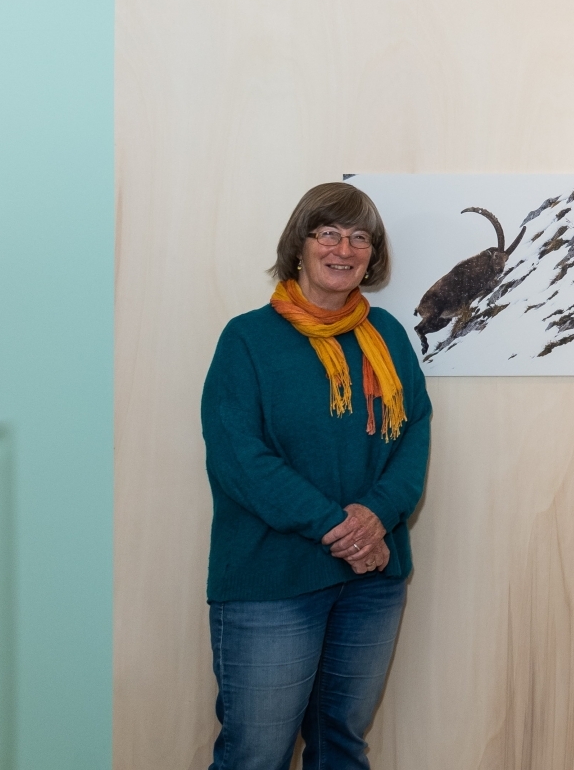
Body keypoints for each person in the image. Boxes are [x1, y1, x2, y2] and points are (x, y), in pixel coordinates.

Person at [200, 182, 432, 770]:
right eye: (327, 232)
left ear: (372, 256)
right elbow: (240, 461)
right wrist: (341, 528)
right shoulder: (247, 339)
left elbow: (413, 440)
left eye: (360, 237)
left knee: (340, 746)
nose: (344, 248)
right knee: (256, 752)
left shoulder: (389, 338)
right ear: (298, 246)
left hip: (372, 582)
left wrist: (375, 517)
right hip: (270, 580)